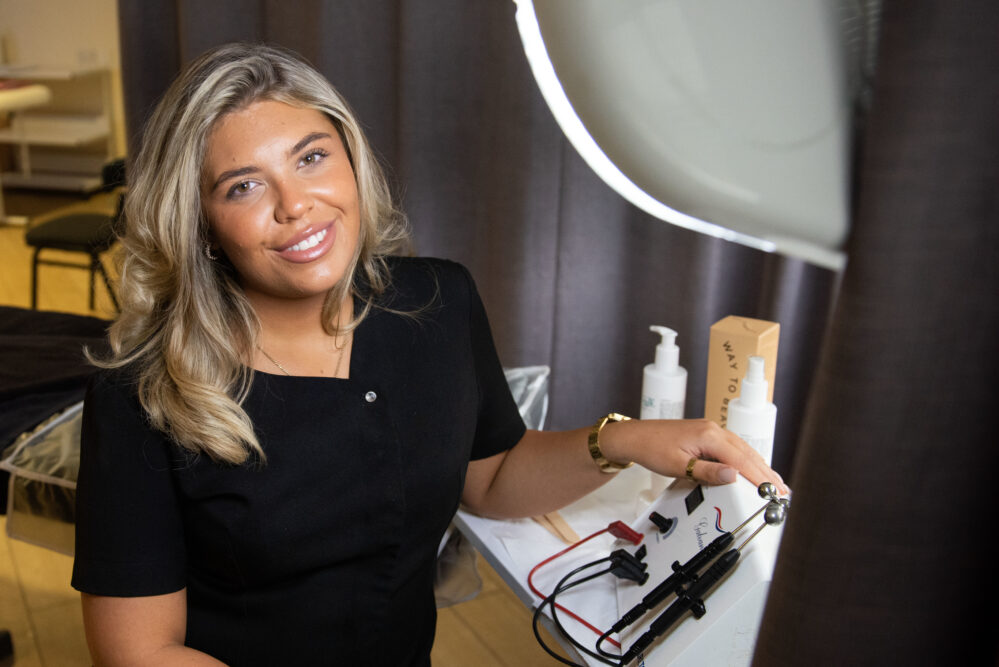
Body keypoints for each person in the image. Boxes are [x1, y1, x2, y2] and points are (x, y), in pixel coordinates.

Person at [71, 42, 785, 666]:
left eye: (311, 157)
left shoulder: (436, 302)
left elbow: (493, 475)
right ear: (200, 226)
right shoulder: (148, 390)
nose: (296, 205)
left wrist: (624, 440)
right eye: (244, 186)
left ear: (350, 160)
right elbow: (138, 649)